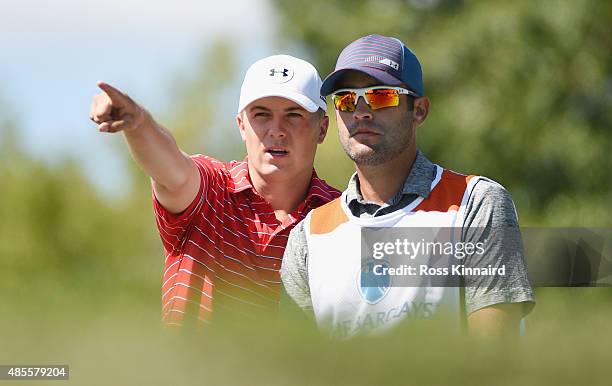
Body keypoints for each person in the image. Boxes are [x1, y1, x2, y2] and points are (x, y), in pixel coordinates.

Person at [280, 35, 535, 338]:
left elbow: (494, 358)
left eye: (381, 96)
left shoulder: (476, 202)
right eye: (346, 99)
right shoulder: (308, 236)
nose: (360, 111)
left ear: (420, 110)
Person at [89, 55, 340, 327]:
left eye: (294, 115)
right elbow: (170, 168)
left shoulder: (345, 216)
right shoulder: (212, 188)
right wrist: (138, 123)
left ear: (322, 128)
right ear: (242, 126)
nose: (276, 131)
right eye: (261, 115)